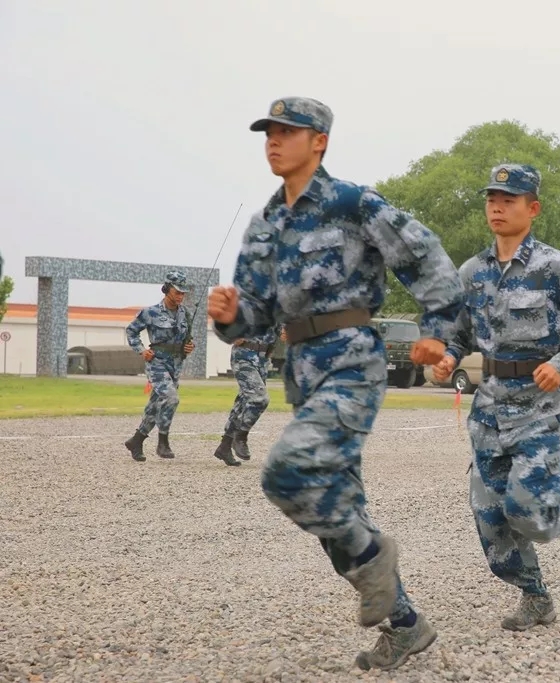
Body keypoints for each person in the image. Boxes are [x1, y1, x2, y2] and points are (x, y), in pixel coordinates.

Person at [207, 97, 465, 672]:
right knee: (335, 512)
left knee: (289, 473)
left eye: (286, 132)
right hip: (300, 366)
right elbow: (255, 316)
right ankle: (405, 625)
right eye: (267, 133)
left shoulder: (352, 202)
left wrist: (440, 334)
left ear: (318, 141)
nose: (273, 141)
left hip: (352, 359)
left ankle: (376, 559)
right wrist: (229, 315)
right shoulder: (265, 224)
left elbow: (424, 257)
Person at [432, 164, 560, 630]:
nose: (497, 206)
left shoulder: (557, 267)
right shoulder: (471, 272)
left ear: (532, 208)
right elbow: (456, 333)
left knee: (528, 512)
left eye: (508, 199)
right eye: (492, 198)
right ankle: (535, 596)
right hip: (487, 409)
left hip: (536, 408)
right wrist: (447, 357)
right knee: (490, 518)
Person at [123, 271, 196, 462]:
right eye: (177, 291)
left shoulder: (186, 314)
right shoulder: (151, 312)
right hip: (157, 363)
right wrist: (141, 350)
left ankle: (136, 441)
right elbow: (131, 332)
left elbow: (188, 340)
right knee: (171, 398)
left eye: (183, 293)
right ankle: (163, 441)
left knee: (155, 405)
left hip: (176, 364)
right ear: (167, 289)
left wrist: (189, 347)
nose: (181, 296)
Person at [212, 323, 285, 467]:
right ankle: (241, 436)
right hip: (243, 357)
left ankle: (224, 446)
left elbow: (282, 332)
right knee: (259, 398)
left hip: (263, 361)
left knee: (244, 402)